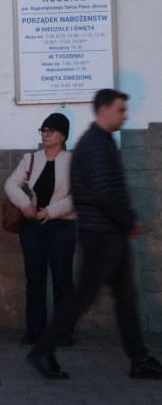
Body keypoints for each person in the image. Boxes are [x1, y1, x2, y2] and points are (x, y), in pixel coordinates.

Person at [27, 89, 162, 380]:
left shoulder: (99, 142)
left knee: (125, 297)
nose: (125, 116)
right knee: (82, 297)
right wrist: (129, 223)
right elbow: (103, 193)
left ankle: (139, 359)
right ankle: (43, 349)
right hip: (102, 235)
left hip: (108, 234)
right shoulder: (95, 145)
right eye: (120, 110)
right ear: (103, 111)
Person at [4, 113, 76, 345]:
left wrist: (52, 211)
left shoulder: (73, 161)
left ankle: (63, 333)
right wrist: (26, 205)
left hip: (62, 227)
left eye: (51, 130)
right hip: (33, 226)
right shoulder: (31, 159)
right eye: (43, 130)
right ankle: (35, 331)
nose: (46, 134)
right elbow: (11, 184)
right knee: (34, 280)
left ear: (63, 135)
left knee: (62, 279)